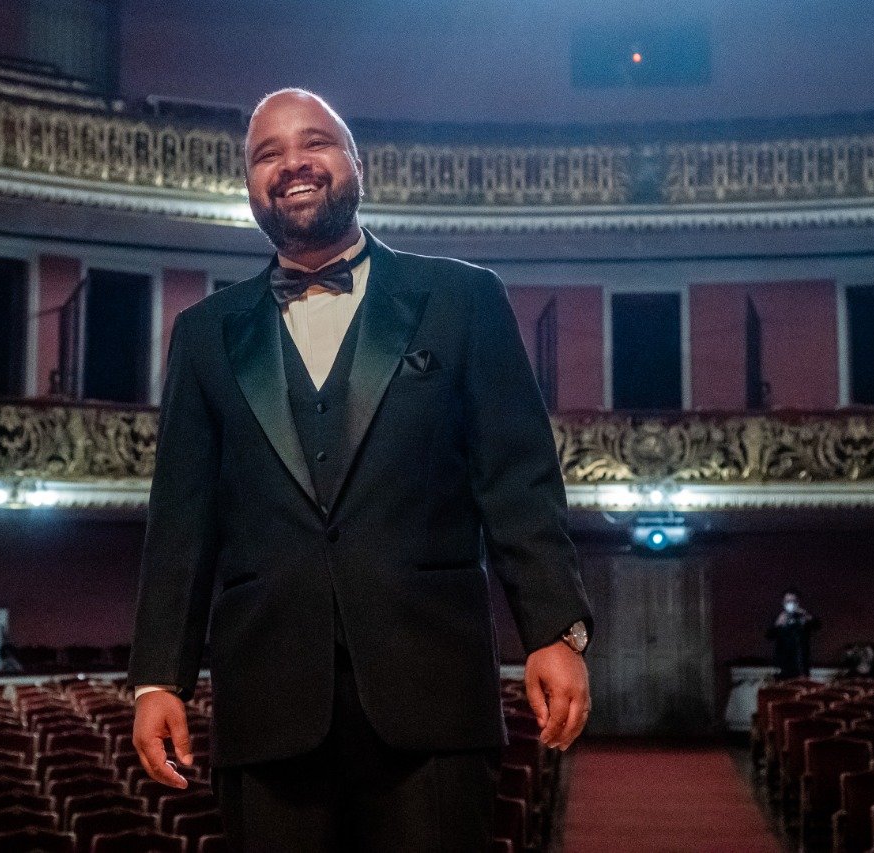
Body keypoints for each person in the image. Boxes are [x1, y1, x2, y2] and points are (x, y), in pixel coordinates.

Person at [127, 88, 593, 852]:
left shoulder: (463, 298)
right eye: (266, 154)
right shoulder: (204, 334)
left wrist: (554, 629)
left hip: (433, 696)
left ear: (355, 163)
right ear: (247, 183)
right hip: (266, 703)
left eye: (314, 143)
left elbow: (517, 481)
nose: (292, 164)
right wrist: (158, 680)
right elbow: (181, 522)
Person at [765, 588, 820, 679]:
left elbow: (817, 626)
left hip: (801, 664)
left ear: (798, 602)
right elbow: (769, 635)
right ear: (783, 603)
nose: (790, 603)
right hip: (783, 664)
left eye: (793, 601)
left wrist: (806, 615)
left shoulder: (803, 617)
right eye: (788, 601)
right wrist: (777, 624)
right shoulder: (779, 618)